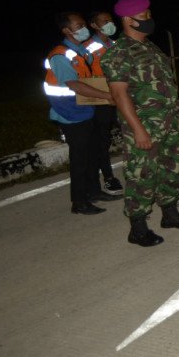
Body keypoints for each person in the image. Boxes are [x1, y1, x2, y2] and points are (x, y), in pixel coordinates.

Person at [101, 0, 179, 247]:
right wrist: (138, 130)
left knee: (170, 169)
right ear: (127, 19)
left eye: (149, 15)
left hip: (167, 123)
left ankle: (170, 214)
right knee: (141, 175)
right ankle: (138, 227)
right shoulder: (118, 53)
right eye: (144, 16)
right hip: (143, 127)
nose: (149, 20)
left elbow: (167, 85)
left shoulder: (152, 48)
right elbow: (120, 95)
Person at [44, 12, 120, 215]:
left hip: (86, 108)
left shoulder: (79, 51)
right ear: (66, 30)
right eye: (79, 25)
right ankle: (78, 201)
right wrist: (106, 95)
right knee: (80, 159)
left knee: (92, 154)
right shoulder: (60, 55)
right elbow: (74, 84)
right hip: (69, 112)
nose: (84, 28)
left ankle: (94, 192)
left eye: (84, 24)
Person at [84, 11, 124, 195]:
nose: (110, 23)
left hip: (120, 95)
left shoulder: (114, 44)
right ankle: (108, 177)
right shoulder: (88, 48)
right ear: (94, 25)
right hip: (101, 99)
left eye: (111, 20)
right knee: (102, 140)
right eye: (104, 21)